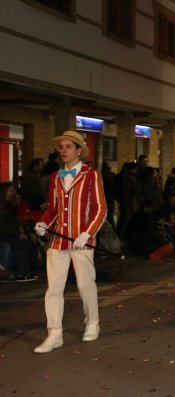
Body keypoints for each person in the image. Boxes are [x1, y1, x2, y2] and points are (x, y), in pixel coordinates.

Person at [33, 130, 107, 353]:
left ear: (78, 150)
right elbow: (54, 209)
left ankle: (92, 323)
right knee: (53, 289)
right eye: (61, 147)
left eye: (68, 146)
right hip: (58, 240)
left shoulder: (91, 174)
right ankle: (54, 334)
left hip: (81, 240)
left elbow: (100, 208)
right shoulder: (56, 177)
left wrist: (87, 233)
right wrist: (44, 223)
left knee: (85, 285)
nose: (63, 150)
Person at [0, 182, 38, 282]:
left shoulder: (10, 205)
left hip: (10, 232)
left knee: (30, 243)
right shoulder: (2, 206)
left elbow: (16, 221)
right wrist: (19, 234)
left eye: (14, 190)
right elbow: (4, 225)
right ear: (4, 192)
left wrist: (21, 231)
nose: (13, 193)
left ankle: (23, 271)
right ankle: (21, 273)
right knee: (27, 245)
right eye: (11, 191)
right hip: (4, 233)